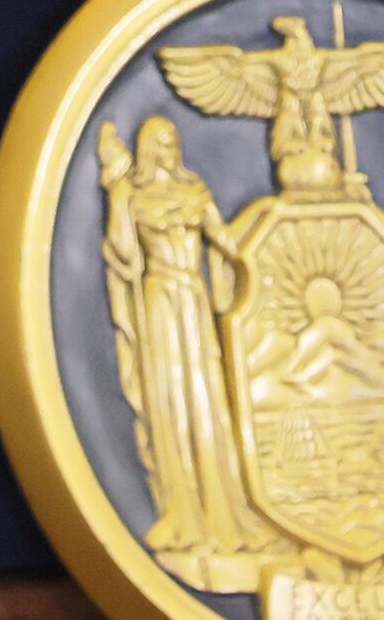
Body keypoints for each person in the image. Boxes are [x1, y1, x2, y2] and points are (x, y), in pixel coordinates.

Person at [97, 117, 282, 586]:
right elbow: (123, 254)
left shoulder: (194, 190)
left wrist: (271, 217)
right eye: (162, 142)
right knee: (173, 402)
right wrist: (117, 201)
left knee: (206, 402)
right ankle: (187, 513)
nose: (171, 147)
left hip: (194, 300)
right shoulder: (133, 197)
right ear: (145, 148)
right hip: (161, 303)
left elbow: (226, 239)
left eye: (174, 140)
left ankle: (222, 510)